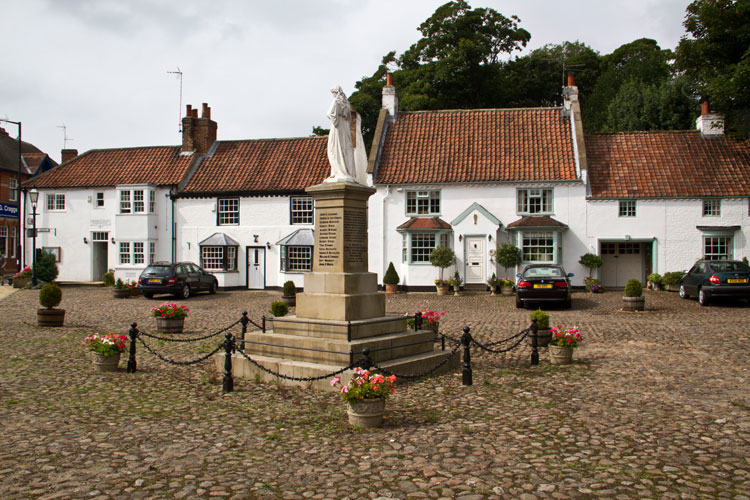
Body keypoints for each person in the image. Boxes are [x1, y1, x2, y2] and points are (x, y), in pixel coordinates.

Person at [325, 86, 357, 183]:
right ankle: (344, 171)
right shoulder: (346, 104)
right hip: (345, 130)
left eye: (333, 93)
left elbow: (330, 114)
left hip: (337, 129)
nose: (333, 95)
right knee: (345, 149)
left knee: (333, 149)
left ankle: (338, 171)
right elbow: (350, 120)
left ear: (336, 92)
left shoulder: (336, 101)